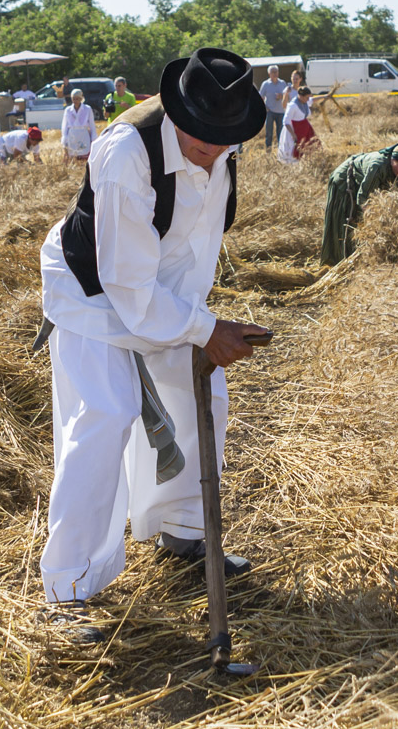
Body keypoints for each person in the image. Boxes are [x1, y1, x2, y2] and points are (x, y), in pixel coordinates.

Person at [36, 47, 269, 638]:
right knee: (107, 414)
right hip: (93, 290)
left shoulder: (220, 144)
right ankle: (68, 588)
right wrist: (203, 330)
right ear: (177, 112)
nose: (213, 152)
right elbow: (126, 284)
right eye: (202, 141)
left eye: (224, 141)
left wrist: (195, 327)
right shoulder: (126, 153)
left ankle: (183, 531)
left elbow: (197, 241)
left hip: (163, 291)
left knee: (202, 397)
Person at [319, 142, 398, 265]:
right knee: (346, 220)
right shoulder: (378, 166)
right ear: (393, 160)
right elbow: (364, 198)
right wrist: (374, 223)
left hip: (364, 182)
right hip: (345, 180)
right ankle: (338, 262)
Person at [278, 86, 320, 162]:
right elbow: (286, 121)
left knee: (311, 145)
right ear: (301, 96)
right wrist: (293, 135)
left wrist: (326, 96)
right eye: (307, 97)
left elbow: (312, 100)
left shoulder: (304, 101)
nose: (308, 99)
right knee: (293, 152)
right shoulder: (293, 105)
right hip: (293, 130)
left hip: (304, 129)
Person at [61, 89, 97, 163]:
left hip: (83, 134)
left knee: (84, 153)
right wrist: (64, 138)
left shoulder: (87, 109)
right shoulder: (68, 110)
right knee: (73, 155)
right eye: (73, 99)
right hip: (72, 135)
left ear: (81, 98)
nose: (75, 101)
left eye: (77, 99)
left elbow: (92, 124)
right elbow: (64, 125)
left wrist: (94, 138)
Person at [258, 64, 290, 148]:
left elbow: (287, 96)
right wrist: (265, 107)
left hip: (281, 111)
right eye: (273, 72)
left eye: (276, 71)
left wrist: (281, 96)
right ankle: (268, 150)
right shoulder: (265, 84)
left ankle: (280, 150)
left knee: (280, 132)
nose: (275, 73)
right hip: (270, 112)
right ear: (269, 74)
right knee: (269, 133)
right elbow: (260, 97)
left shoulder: (282, 83)